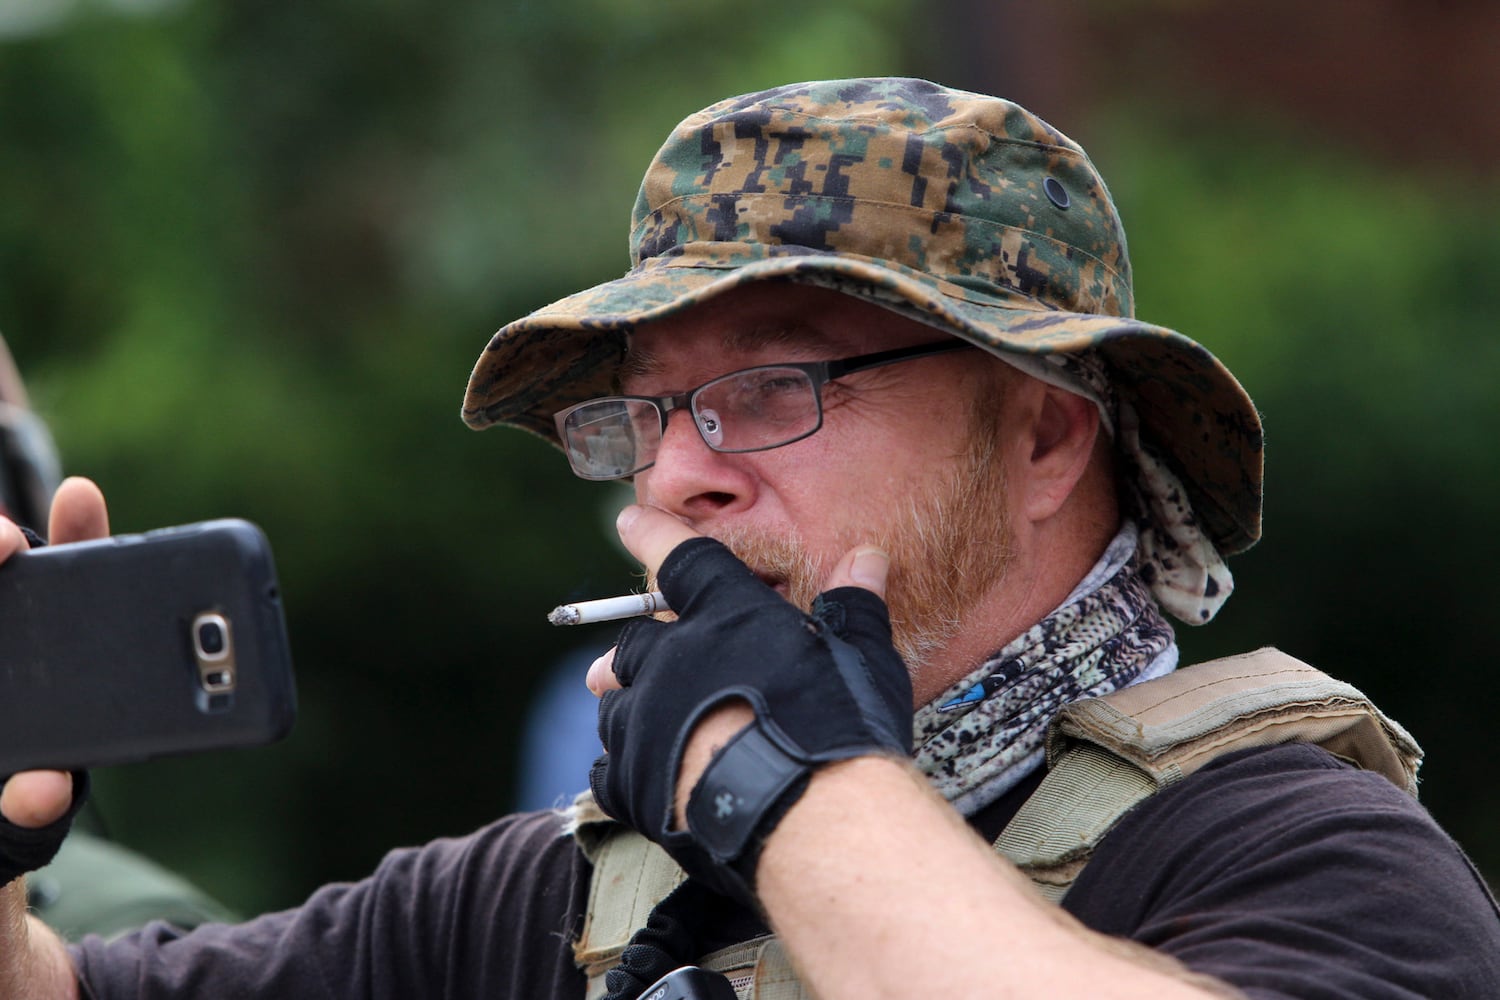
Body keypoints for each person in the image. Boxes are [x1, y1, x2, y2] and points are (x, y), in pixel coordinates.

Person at [3, 76, 1498, 999]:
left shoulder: (1305, 857)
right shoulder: (558, 898)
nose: (678, 485)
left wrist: (792, 785)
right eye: (649, 418)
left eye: (773, 388)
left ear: (1045, 438)